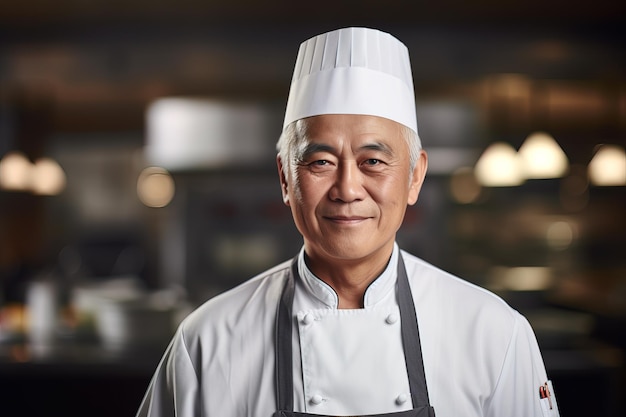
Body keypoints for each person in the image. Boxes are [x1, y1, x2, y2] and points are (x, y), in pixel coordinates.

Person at [136, 27, 560, 417]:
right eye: (321, 161)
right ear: (286, 178)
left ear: (414, 177)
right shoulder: (207, 343)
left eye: (373, 161)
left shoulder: (495, 334)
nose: (347, 188)